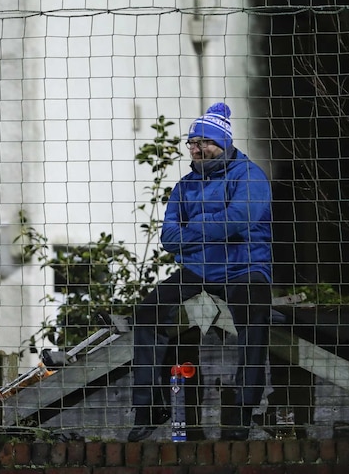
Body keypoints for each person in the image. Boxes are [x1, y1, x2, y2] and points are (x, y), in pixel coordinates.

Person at [127, 102, 273, 442]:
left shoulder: (250, 176)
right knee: (147, 312)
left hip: (245, 266)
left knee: (253, 318)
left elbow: (240, 220)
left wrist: (197, 227)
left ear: (223, 144)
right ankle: (150, 407)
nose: (195, 149)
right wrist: (212, 226)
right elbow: (168, 238)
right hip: (200, 269)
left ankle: (242, 409)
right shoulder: (185, 185)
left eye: (203, 142)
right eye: (192, 143)